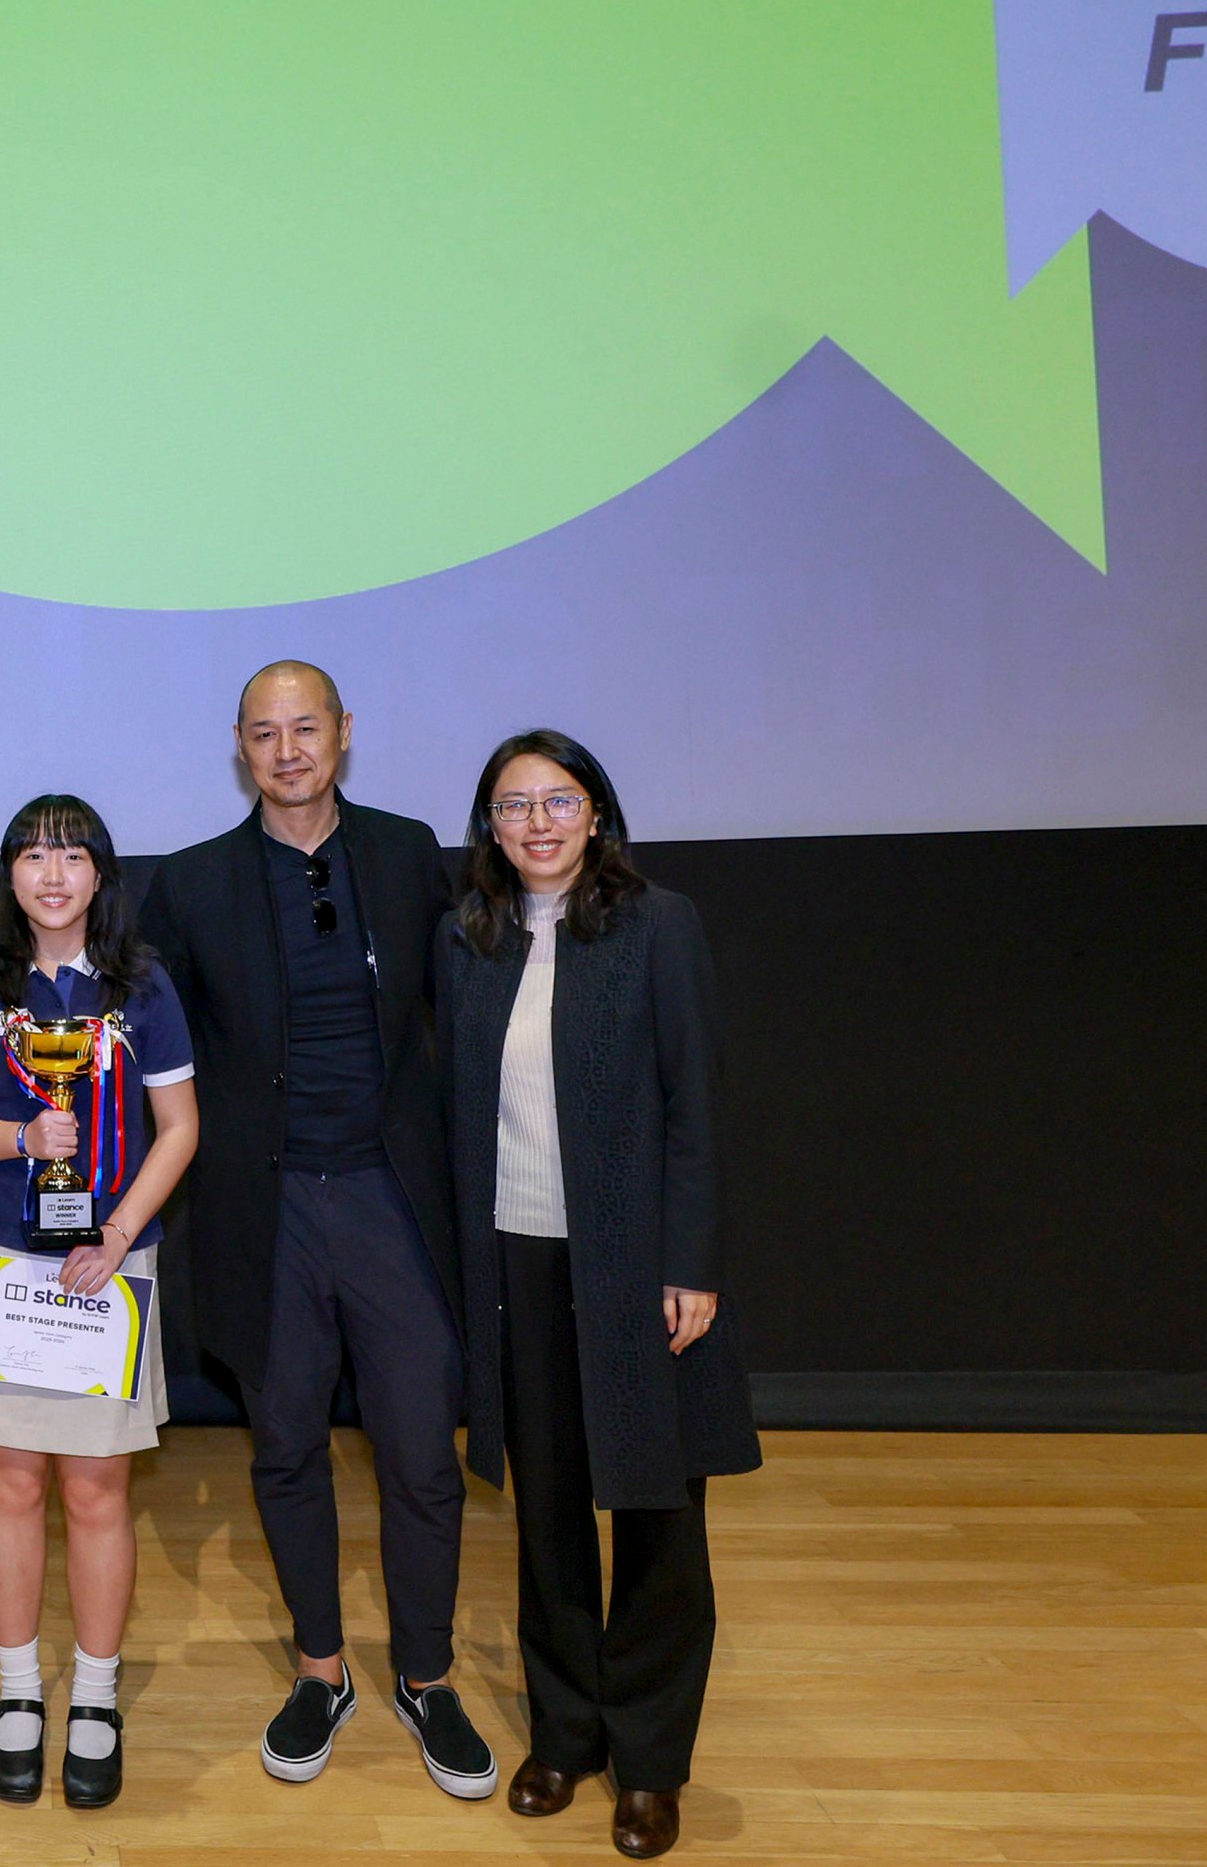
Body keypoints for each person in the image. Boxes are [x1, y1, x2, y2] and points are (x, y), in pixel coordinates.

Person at [135, 659, 495, 1798]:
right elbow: (148, 1055)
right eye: (263, 732)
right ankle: (321, 1667)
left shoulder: (403, 851)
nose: (287, 749)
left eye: (307, 727)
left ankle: (426, 1677)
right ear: (237, 748)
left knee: (418, 1456)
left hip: (392, 1196)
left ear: (345, 732)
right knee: (284, 1443)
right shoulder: (189, 885)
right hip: (267, 1204)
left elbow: (465, 1015)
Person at [437, 730, 757, 1861]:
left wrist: (693, 1259)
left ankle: (652, 1759)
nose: (536, 822)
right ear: (488, 824)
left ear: (596, 812)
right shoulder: (465, 937)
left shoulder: (656, 924)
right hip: (518, 1261)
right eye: (512, 804)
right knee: (549, 1511)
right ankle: (565, 1732)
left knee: (660, 1513)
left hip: (635, 1265)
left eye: (557, 800)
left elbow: (695, 1103)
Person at [0, 795, 198, 1810]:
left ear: (100, 874)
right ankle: (16, 1691)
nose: (53, 873)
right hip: (3, 1258)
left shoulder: (142, 984)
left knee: (94, 1491)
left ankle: (93, 1691)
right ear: (9, 875)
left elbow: (178, 1125)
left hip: (106, 1266)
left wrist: (118, 1232)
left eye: (72, 854)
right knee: (7, 1484)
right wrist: (20, 1140)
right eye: (33, 856)